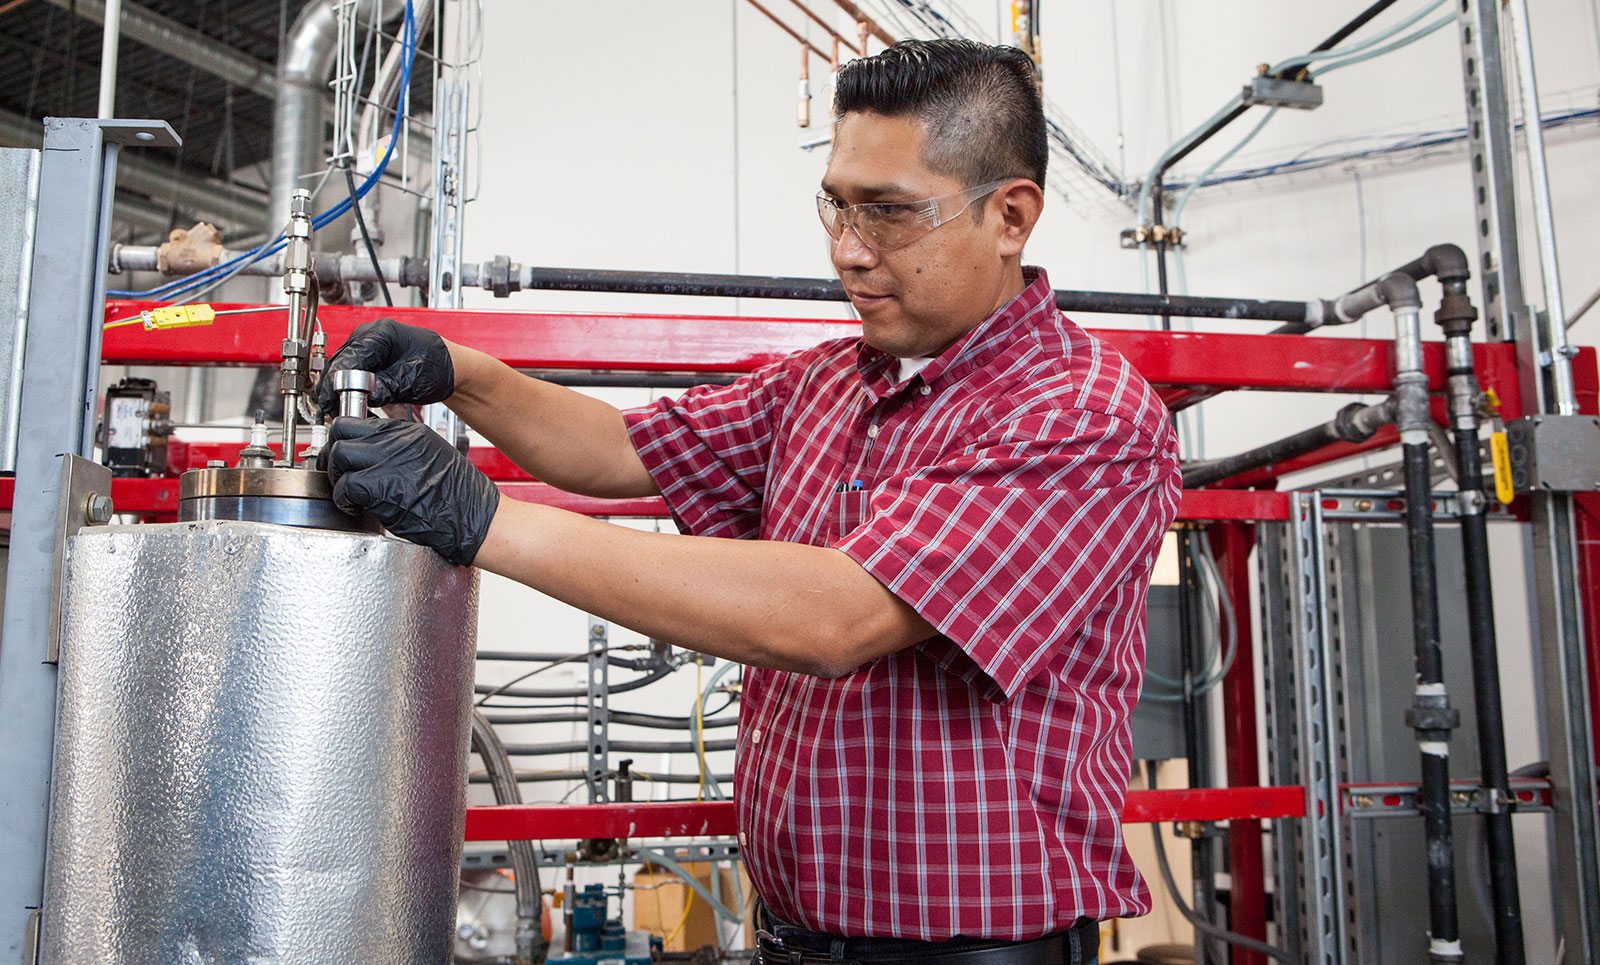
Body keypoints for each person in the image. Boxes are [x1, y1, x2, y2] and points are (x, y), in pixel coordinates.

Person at [319, 38, 1179, 965]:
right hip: (791, 936)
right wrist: (460, 372)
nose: (851, 252)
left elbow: (837, 615)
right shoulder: (824, 385)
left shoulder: (1084, 415)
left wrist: (476, 515)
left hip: (969, 950)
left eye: (890, 213)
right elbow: (614, 449)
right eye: (838, 207)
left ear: (1010, 216)